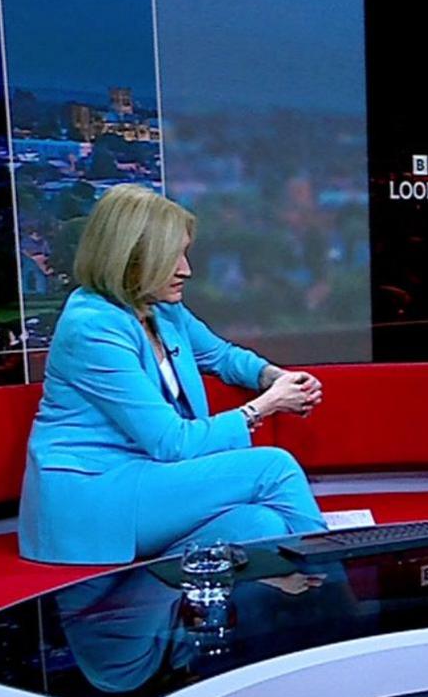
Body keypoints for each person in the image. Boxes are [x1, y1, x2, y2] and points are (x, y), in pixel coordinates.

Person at [19, 184, 328, 565]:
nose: (187, 269)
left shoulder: (160, 308)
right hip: (92, 499)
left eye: (185, 253)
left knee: (259, 524)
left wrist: (275, 377)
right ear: (129, 259)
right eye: (172, 257)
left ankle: (174, 612)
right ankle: (334, 583)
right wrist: (265, 406)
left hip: (149, 487)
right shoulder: (91, 327)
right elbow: (171, 442)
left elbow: (222, 356)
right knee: (274, 468)